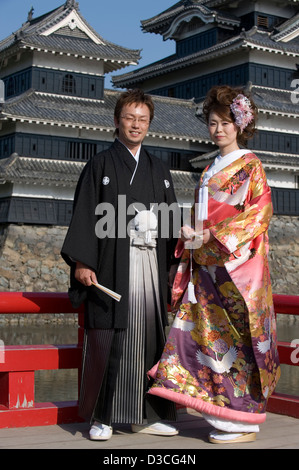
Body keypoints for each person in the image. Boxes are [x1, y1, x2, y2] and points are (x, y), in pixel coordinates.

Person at [147, 85, 281, 444]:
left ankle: (244, 419)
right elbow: (201, 213)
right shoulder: (209, 168)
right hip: (206, 265)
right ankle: (223, 412)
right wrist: (190, 231)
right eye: (212, 123)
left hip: (237, 268)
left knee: (241, 340)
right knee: (209, 339)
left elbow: (260, 213)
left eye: (225, 123)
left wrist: (214, 236)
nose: (218, 129)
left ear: (240, 125)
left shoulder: (250, 164)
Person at [61, 89, 179, 441]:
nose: (136, 125)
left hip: (151, 266)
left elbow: (172, 224)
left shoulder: (159, 169)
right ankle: (104, 417)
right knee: (110, 338)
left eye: (143, 119)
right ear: (116, 121)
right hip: (112, 267)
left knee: (150, 340)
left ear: (149, 124)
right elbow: (84, 213)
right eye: (130, 118)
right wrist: (82, 260)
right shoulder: (100, 165)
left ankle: (150, 414)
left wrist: (185, 245)